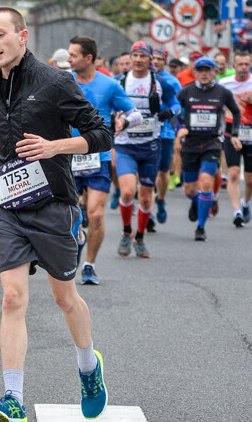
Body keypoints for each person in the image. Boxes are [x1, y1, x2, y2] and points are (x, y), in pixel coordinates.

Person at [0, 7, 111, 422]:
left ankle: (87, 365)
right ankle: (14, 399)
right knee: (12, 298)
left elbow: (101, 134)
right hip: (8, 204)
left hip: (54, 204)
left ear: (22, 36)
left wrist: (55, 146)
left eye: (0, 34)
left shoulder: (56, 81)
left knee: (65, 298)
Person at [67, 36, 139, 285]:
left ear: (88, 58)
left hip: (99, 157)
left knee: (96, 215)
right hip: (67, 156)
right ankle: (78, 238)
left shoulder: (109, 85)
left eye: (73, 55)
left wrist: (124, 121)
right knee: (69, 215)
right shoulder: (64, 82)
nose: (69, 59)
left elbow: (135, 114)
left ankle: (89, 265)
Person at [112, 41, 178, 259]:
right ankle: (126, 231)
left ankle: (139, 236)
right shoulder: (120, 81)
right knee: (129, 191)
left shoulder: (159, 82)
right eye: (135, 55)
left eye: (143, 56)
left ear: (150, 59)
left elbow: (176, 104)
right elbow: (107, 104)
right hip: (125, 145)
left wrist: (170, 113)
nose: (138, 59)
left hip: (150, 145)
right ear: (130, 58)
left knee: (147, 197)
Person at [176, 57, 243, 241]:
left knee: (206, 182)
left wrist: (234, 133)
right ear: (195, 72)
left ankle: (201, 227)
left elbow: (236, 112)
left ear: (214, 71)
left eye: (208, 70)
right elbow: (174, 110)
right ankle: (197, 203)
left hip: (212, 143)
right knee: (190, 190)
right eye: (200, 70)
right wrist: (178, 127)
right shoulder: (186, 91)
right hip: (190, 144)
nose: (204, 73)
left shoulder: (222, 92)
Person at [219, 50, 252, 225]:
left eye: (247, 64)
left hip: (251, 131)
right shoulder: (224, 84)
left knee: (249, 179)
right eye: (240, 64)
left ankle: (246, 203)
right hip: (231, 132)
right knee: (233, 173)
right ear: (234, 66)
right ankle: (236, 211)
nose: (244, 68)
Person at [151, 47, 182, 229]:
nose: (155, 62)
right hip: (145, 133)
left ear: (165, 61)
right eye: (152, 58)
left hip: (166, 133)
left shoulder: (171, 82)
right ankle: (148, 209)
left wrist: (175, 129)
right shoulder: (143, 79)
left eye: (159, 59)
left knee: (163, 172)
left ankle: (161, 200)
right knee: (146, 174)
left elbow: (179, 108)